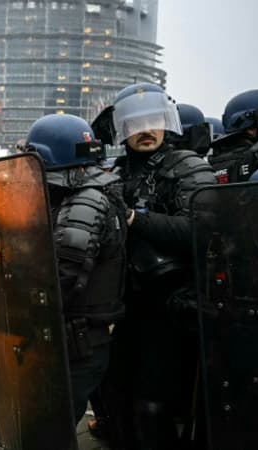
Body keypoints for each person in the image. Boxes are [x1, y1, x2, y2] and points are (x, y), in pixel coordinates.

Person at [101, 83, 216, 448]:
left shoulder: (187, 167)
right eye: (135, 124)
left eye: (152, 121)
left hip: (169, 306)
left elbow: (204, 228)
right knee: (111, 395)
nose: (145, 130)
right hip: (122, 306)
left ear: (167, 122)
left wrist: (136, 219)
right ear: (122, 130)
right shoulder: (113, 173)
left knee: (153, 405)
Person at [27, 114, 128, 425]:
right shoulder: (85, 193)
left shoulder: (85, 202)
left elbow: (63, 278)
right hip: (80, 335)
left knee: (49, 426)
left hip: (77, 340)